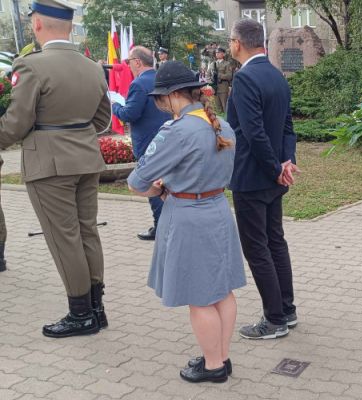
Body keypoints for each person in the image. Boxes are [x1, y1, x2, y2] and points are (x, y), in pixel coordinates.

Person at [127, 61, 245, 383]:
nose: (157, 104)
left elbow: (137, 180)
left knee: (200, 296)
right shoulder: (221, 124)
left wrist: (157, 189)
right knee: (222, 291)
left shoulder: (177, 131)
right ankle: (222, 356)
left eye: (158, 98)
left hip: (190, 216)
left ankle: (212, 366)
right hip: (219, 208)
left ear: (172, 95)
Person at [0, 0, 111, 338]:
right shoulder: (92, 66)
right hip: (86, 159)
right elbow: (103, 120)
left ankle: (80, 315)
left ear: (37, 25)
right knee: (86, 231)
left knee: (64, 239)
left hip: (49, 164)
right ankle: (96, 308)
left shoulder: (31, 66)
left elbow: (16, 124)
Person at [226, 19, 300, 340]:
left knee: (258, 248)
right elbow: (287, 128)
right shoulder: (276, 75)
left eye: (230, 40)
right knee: (275, 241)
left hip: (253, 176)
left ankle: (274, 319)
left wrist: (275, 167)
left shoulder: (245, 79)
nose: (229, 45)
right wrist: (286, 163)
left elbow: (255, 134)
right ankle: (287, 308)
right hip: (272, 176)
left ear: (239, 43)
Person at [112, 46, 172, 241]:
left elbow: (131, 113)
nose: (127, 65)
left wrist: (115, 105)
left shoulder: (138, 84)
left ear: (137, 62)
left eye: (129, 61)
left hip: (148, 143)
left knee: (152, 186)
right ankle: (170, 225)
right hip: (168, 140)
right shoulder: (161, 79)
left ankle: (161, 228)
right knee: (167, 185)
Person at [213, 48, 233, 113]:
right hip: (215, 88)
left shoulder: (227, 64)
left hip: (223, 88)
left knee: (225, 108)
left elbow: (229, 76)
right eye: (216, 52)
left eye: (219, 52)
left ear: (223, 54)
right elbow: (208, 75)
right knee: (217, 109)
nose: (217, 54)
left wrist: (219, 75)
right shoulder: (213, 64)